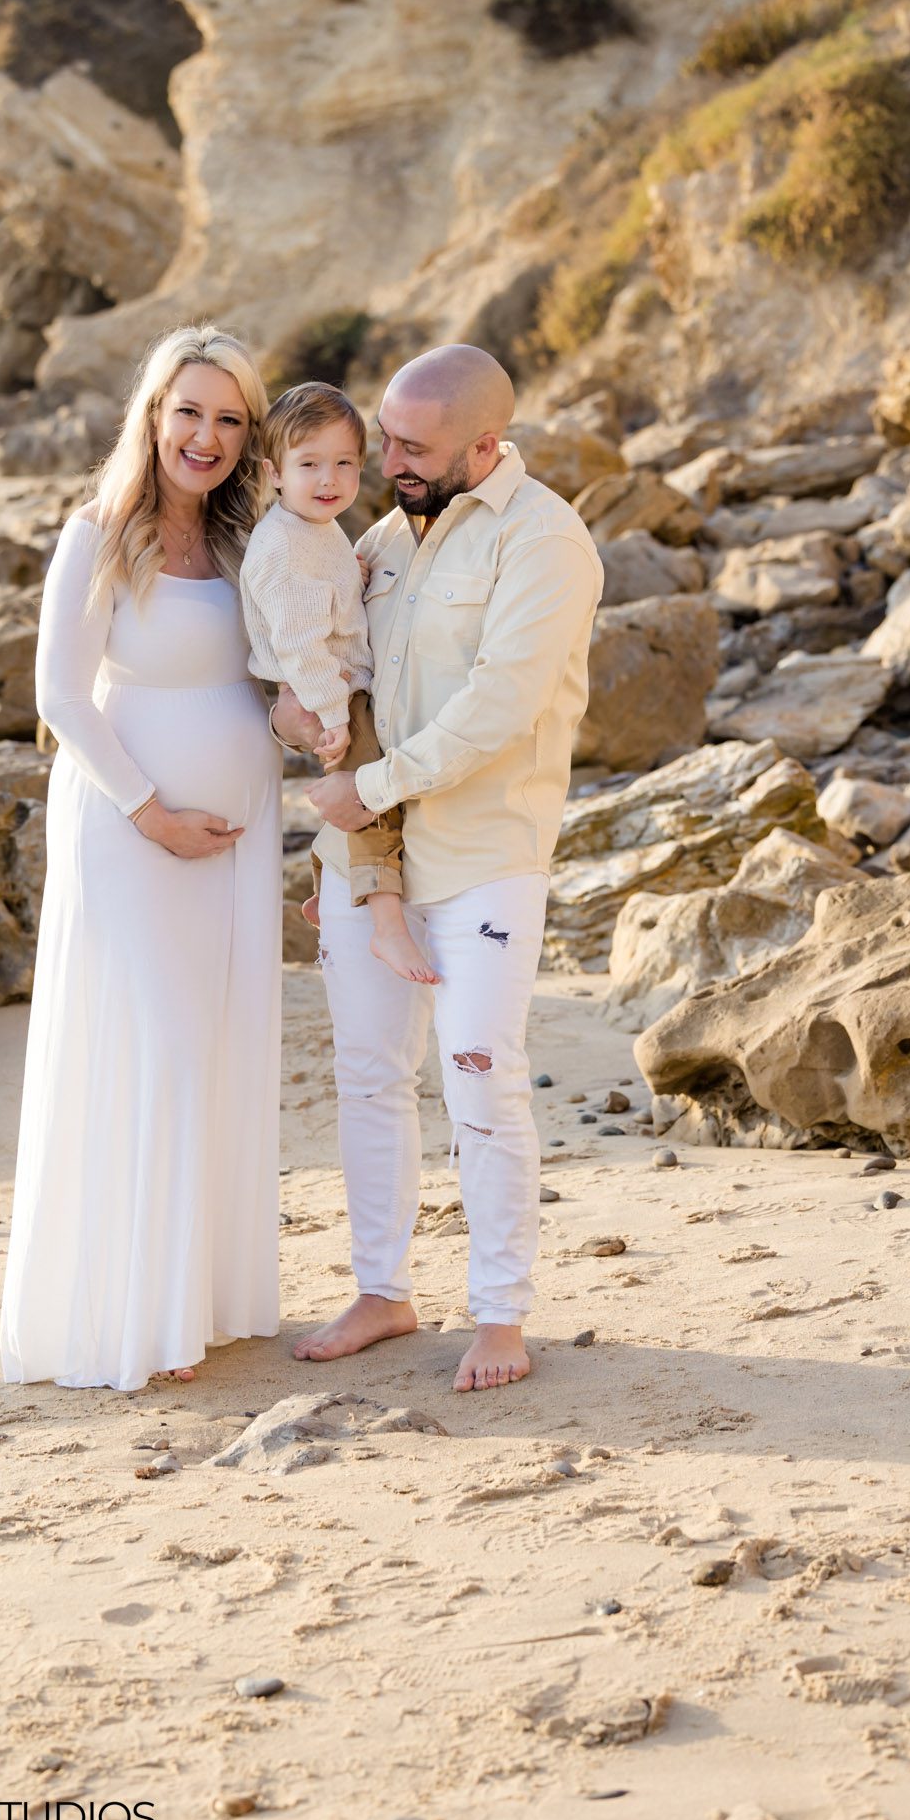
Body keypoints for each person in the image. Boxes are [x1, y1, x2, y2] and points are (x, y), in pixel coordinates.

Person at [272, 344, 603, 1393]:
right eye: (386, 437)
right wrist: (291, 710)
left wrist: (365, 792)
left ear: (484, 444)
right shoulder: (372, 539)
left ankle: (501, 1312)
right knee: (370, 1075)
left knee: (478, 1075)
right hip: (368, 866)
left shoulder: (545, 540)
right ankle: (384, 1287)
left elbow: (498, 714)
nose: (386, 460)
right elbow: (329, 672)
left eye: (413, 447)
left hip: (485, 856)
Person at [0, 323, 282, 1393]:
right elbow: (61, 696)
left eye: (228, 418)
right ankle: (132, 1319)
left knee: (218, 1048)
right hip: (129, 828)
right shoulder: (98, 531)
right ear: (152, 415)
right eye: (188, 412)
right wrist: (153, 812)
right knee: (157, 1047)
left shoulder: (251, 538)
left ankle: (198, 1300)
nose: (205, 436)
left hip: (238, 839)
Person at [239, 379, 436, 986]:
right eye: (310, 465)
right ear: (274, 472)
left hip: (340, 686)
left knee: (358, 793)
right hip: (329, 693)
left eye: (344, 463)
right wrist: (332, 715)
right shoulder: (282, 546)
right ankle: (386, 926)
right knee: (368, 799)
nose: (330, 480)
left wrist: (349, 575)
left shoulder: (316, 529)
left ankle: (328, 892)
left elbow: (323, 597)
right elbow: (299, 641)